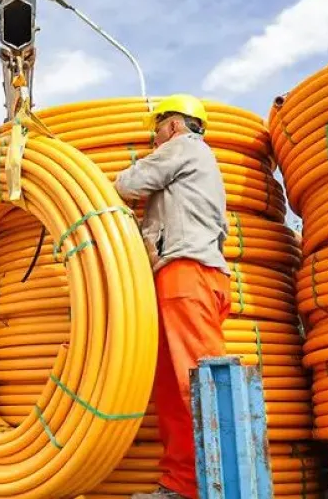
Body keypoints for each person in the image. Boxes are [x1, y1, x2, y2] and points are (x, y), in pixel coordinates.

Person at [114, 94, 232, 499]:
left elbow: (131, 183)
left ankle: (223, 486)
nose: (155, 141)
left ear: (175, 125)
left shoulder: (183, 148)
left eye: (157, 131)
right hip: (185, 277)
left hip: (188, 277)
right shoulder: (201, 166)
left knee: (193, 385)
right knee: (171, 387)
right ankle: (182, 486)